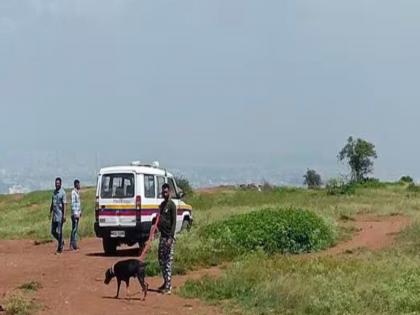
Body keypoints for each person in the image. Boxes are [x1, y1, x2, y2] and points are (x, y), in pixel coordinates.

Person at [157, 183, 177, 294]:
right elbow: (159, 221)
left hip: (169, 238)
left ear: (169, 192)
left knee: (168, 261)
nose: (164, 194)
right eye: (163, 192)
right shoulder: (161, 205)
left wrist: (171, 237)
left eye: (166, 192)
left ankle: (168, 286)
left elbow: (174, 223)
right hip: (162, 237)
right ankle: (165, 282)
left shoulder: (172, 205)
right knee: (161, 260)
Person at [49, 177, 66, 254]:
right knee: (53, 231)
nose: (57, 184)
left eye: (58, 183)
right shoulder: (54, 192)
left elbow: (64, 205)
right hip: (54, 216)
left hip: (60, 216)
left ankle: (60, 248)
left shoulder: (63, 193)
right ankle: (61, 241)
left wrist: (64, 215)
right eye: (56, 183)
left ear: (60, 184)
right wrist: (50, 212)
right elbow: (52, 203)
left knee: (59, 232)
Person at [70, 179, 82, 250]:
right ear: (76, 185)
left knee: (75, 229)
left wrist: (80, 212)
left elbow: (78, 203)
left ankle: (74, 244)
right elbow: (73, 203)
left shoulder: (77, 193)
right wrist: (75, 213)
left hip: (77, 213)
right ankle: (72, 244)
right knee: (74, 229)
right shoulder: (73, 192)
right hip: (75, 214)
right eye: (78, 184)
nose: (79, 185)